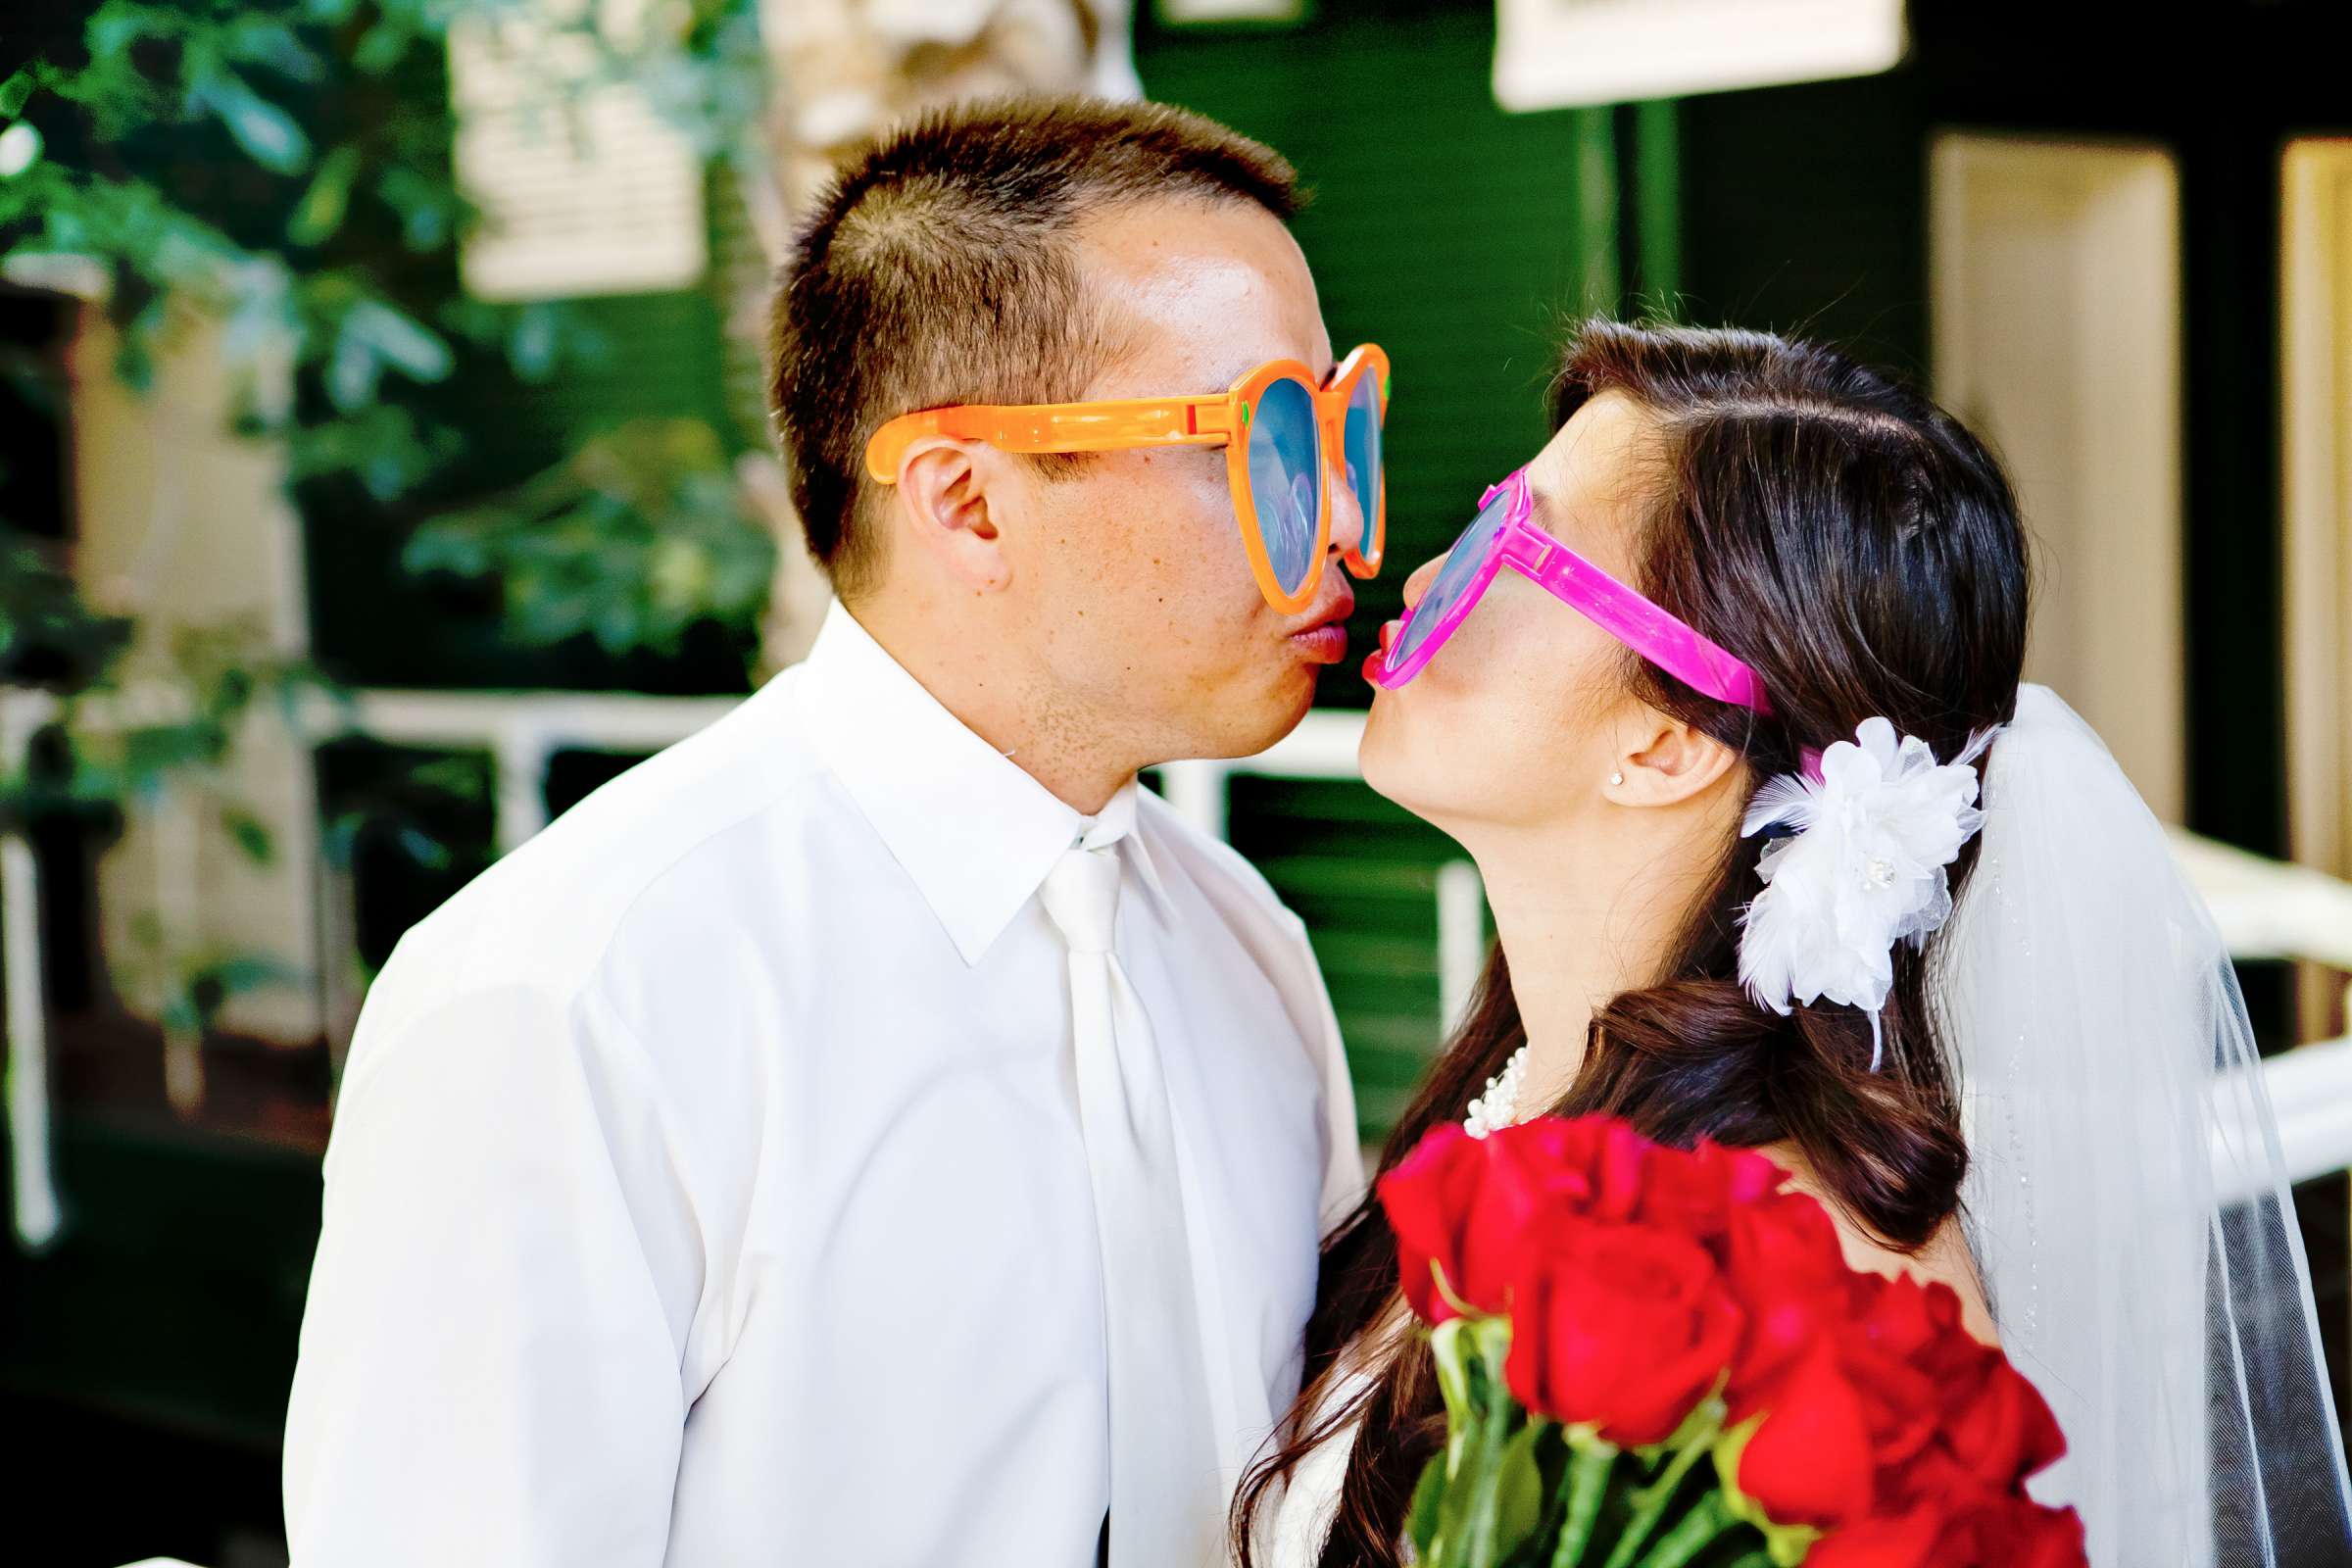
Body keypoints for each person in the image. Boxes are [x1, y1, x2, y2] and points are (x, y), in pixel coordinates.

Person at [285, 95, 1385, 1567]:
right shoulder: (573, 992)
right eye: (1257, 438)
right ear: (966, 504)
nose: (1339, 532)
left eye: (1339, 427)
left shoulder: (1247, 942)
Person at [1235, 319, 2352, 1568]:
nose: (1435, 563)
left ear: (1669, 745)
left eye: (1510, 541)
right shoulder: (1523, 1087)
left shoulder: (1809, 1304)